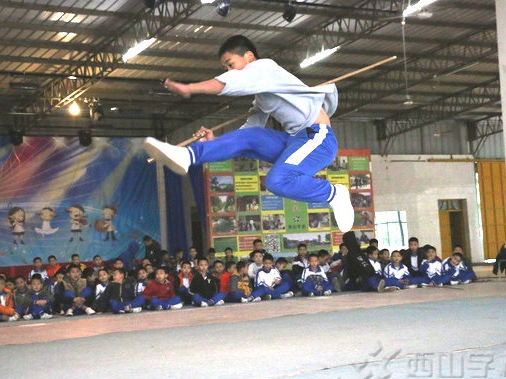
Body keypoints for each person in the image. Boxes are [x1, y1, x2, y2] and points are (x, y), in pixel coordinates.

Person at [145, 35, 354, 232]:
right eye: (226, 68)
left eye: (230, 64)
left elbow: (232, 81)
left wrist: (190, 88)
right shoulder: (263, 95)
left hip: (318, 138)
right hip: (295, 141)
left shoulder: (265, 67)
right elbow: (247, 133)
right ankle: (188, 155)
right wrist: (217, 142)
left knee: (276, 181)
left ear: (249, 57)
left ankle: (334, 193)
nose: (229, 70)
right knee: (250, 137)